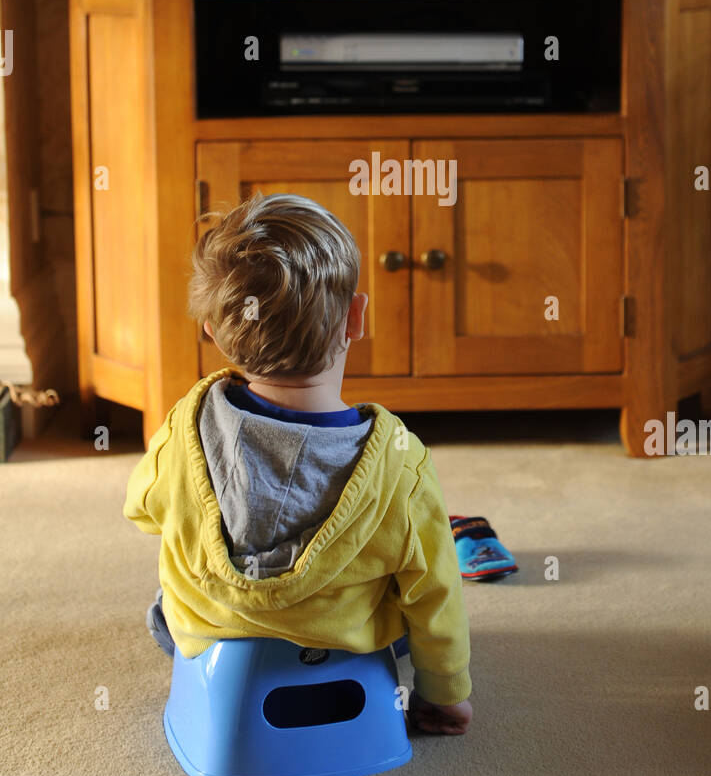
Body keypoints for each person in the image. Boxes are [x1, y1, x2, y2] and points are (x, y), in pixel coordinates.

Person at [123, 192, 472, 736]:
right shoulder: (400, 463)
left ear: (213, 331)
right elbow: (436, 591)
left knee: (165, 604)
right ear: (356, 317)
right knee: (404, 607)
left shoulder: (184, 428)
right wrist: (445, 692)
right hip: (337, 641)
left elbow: (141, 509)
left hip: (216, 631)